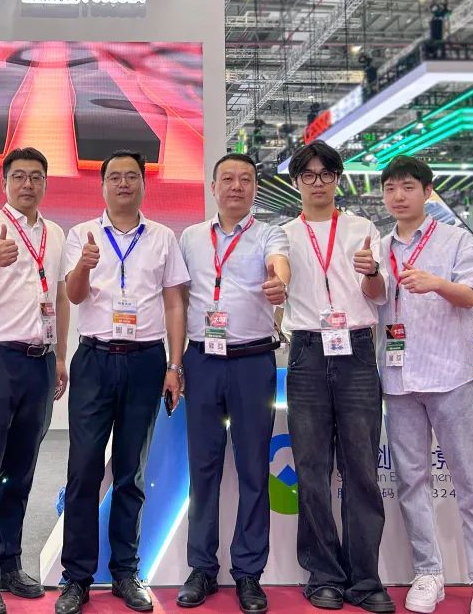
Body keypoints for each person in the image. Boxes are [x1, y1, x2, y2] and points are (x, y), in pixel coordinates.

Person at [55, 150, 190, 614]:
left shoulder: (163, 238)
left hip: (146, 361)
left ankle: (126, 572)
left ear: (144, 184)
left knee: (132, 470)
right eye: (115, 176)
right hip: (95, 359)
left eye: (132, 176)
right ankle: (76, 577)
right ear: (103, 185)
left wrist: (174, 365)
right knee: (84, 469)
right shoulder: (82, 235)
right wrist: (84, 265)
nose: (124, 183)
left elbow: (174, 303)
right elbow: (75, 296)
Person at [377, 156, 473, 614]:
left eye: (408, 187)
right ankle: (428, 572)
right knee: (411, 480)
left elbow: (472, 295)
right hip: (397, 379)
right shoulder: (379, 245)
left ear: (427, 191)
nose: (398, 196)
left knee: (470, 479)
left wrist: (436, 284)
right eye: (390, 188)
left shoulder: (455, 239)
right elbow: (372, 298)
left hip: (449, 374)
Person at [279, 140, 392, 613]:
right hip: (307, 350)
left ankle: (365, 579)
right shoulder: (284, 234)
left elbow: (379, 294)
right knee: (311, 469)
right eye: (308, 175)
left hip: (356, 351)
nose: (318, 182)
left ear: (337, 179)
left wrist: (372, 272)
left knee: (362, 468)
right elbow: (277, 279)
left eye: (326, 174)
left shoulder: (362, 229)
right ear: (297, 182)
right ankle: (323, 573)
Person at [0, 147, 69, 614]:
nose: (28, 183)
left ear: (45, 183)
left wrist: (60, 355)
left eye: (36, 176)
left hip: (39, 362)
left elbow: (59, 296)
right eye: (19, 176)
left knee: (20, 470)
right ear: (4, 182)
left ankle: (9, 562)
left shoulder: (55, 233)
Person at [175, 152, 287, 614]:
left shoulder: (269, 233)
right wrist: (175, 363)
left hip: (252, 361)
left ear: (254, 188)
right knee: (203, 468)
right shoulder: (190, 237)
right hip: (202, 360)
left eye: (245, 179)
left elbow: (279, 268)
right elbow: (178, 299)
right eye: (228, 179)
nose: (236, 186)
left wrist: (279, 283)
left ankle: (248, 572)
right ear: (213, 186)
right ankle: (201, 568)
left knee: (253, 469)